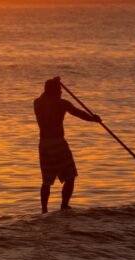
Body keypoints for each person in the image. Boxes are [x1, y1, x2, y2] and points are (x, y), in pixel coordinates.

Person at [34, 77, 101, 213]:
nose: (61, 93)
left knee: (47, 180)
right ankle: (64, 206)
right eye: (59, 91)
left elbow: (44, 96)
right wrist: (93, 119)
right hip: (58, 144)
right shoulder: (62, 104)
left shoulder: (37, 103)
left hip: (44, 145)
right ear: (53, 91)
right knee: (70, 176)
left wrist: (53, 83)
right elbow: (79, 113)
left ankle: (44, 210)